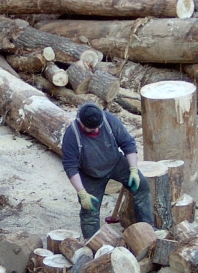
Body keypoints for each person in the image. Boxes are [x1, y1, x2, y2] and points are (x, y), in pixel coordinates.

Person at [61, 102, 154, 240]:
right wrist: (82, 193)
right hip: (90, 173)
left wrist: (133, 169)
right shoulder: (72, 135)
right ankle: (92, 243)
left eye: (98, 127)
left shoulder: (109, 120)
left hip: (116, 163)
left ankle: (148, 229)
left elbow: (128, 144)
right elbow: (70, 167)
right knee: (89, 211)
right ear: (81, 123)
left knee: (142, 187)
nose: (95, 131)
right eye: (90, 129)